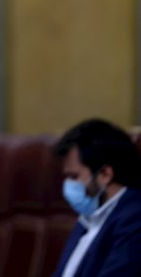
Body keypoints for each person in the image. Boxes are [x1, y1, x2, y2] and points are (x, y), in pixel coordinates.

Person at [52, 118, 141, 277]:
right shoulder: (88, 218)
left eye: (74, 176)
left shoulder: (134, 219)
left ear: (105, 174)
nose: (68, 185)